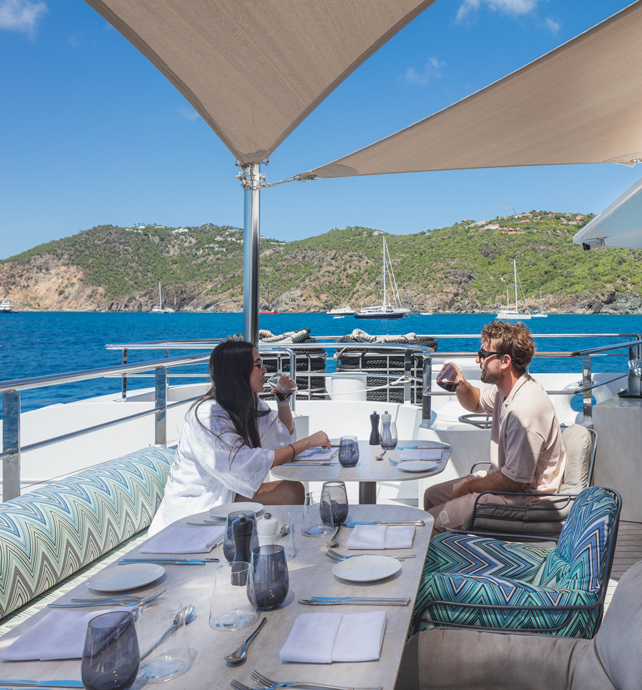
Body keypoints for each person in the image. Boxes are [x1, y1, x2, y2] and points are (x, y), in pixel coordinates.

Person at [149, 339, 331, 534]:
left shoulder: (248, 404)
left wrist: (283, 401)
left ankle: (283, 547)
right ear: (238, 371)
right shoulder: (207, 416)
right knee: (292, 491)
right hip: (196, 509)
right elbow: (244, 466)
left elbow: (280, 439)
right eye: (258, 365)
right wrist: (309, 442)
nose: (264, 371)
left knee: (292, 490)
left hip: (227, 495)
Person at [424, 321, 566, 535]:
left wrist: (469, 488)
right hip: (507, 483)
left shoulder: (524, 410)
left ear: (505, 361)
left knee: (430, 523)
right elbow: (477, 401)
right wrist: (460, 383)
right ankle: (453, 548)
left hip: (525, 499)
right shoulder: (505, 390)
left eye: (484, 354)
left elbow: (514, 482)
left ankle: (449, 559)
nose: (477, 359)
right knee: (431, 495)